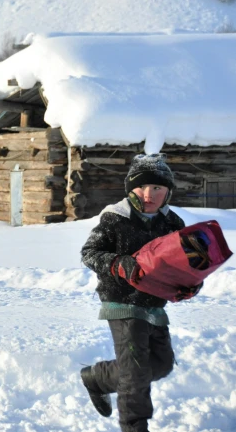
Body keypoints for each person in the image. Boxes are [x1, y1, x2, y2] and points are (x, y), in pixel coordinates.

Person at [79, 153, 201, 432]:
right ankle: (135, 427)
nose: (149, 194)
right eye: (142, 187)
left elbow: (187, 264)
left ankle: (98, 378)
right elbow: (89, 253)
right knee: (135, 374)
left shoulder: (173, 225)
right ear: (130, 189)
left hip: (155, 303)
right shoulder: (115, 218)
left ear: (168, 191)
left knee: (160, 364)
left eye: (157, 188)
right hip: (121, 301)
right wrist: (117, 262)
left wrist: (189, 284)